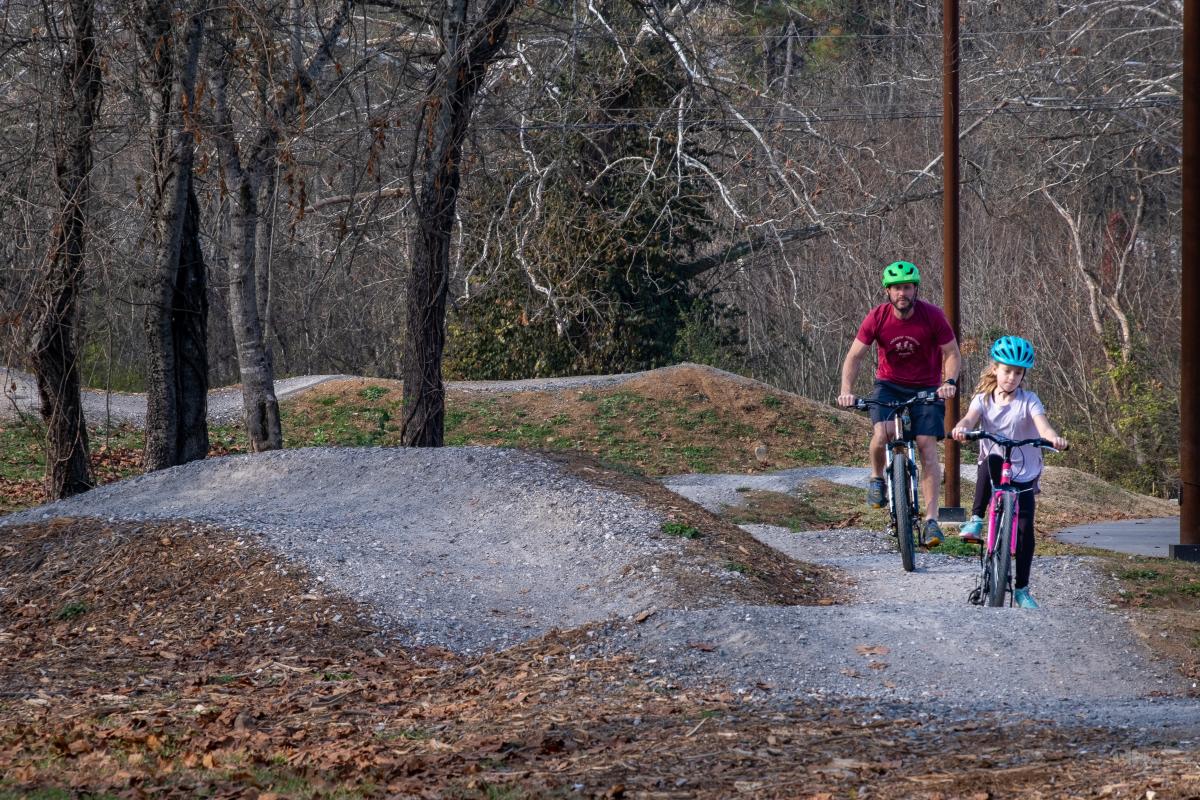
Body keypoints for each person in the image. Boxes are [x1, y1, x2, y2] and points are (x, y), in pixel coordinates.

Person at [837, 260, 961, 548]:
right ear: (888, 292)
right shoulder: (877, 317)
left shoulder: (932, 316)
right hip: (888, 386)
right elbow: (855, 356)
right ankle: (877, 478)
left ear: (915, 289)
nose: (901, 293)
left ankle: (931, 521)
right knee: (883, 434)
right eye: (896, 288)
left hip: (927, 387)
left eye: (906, 287)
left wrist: (949, 383)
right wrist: (846, 390)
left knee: (926, 445)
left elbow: (952, 353)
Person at [951, 336, 1068, 609]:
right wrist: (962, 428)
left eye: (1018, 373)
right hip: (994, 467)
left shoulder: (1029, 401)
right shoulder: (983, 400)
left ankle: (1022, 589)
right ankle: (977, 518)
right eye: (1007, 370)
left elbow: (1043, 426)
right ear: (995, 368)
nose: (1012, 377)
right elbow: (969, 419)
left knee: (1026, 530)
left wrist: (1053, 439)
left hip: (1024, 470)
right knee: (989, 458)